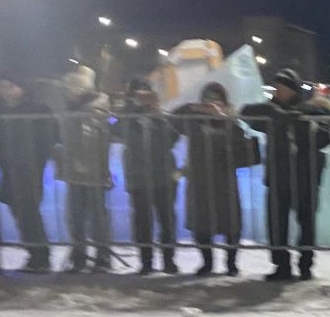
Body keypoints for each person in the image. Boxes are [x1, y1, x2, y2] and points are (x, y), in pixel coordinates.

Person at [241, 69, 330, 282]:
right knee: (277, 223)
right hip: (278, 177)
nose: (278, 92)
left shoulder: (310, 110)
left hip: (305, 177)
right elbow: (246, 112)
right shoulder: (270, 112)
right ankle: (281, 264)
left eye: (282, 88)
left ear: (293, 90)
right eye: (277, 88)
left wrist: (300, 125)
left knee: (306, 223)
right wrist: (276, 113)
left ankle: (305, 265)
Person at [173, 82, 251, 276]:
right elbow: (173, 118)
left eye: (216, 99)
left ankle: (231, 263)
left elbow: (240, 139)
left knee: (231, 223)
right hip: (200, 179)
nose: (212, 103)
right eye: (208, 99)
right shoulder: (194, 120)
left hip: (224, 179)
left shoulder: (229, 120)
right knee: (201, 223)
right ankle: (206, 262)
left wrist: (224, 118)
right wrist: (194, 108)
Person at [0, 77, 57, 272]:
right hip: (10, 167)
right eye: (3, 87)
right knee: (18, 209)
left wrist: (36, 158)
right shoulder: (1, 111)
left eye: (11, 86)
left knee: (28, 209)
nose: (6, 91)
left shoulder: (37, 109)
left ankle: (40, 255)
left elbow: (48, 138)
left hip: (29, 166)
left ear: (22, 87)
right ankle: (34, 253)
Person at [115, 79, 180, 275]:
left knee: (167, 220)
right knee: (142, 221)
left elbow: (173, 139)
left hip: (163, 175)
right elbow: (115, 129)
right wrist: (131, 108)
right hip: (138, 176)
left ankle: (169, 261)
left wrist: (158, 116)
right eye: (138, 94)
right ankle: (146, 262)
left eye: (146, 93)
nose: (142, 97)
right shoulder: (126, 117)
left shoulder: (161, 115)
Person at [57, 70, 115, 273]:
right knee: (76, 215)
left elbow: (89, 139)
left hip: (92, 170)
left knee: (96, 216)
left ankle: (102, 256)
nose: (67, 92)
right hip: (75, 170)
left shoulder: (93, 108)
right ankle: (81, 253)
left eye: (71, 88)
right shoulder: (72, 109)